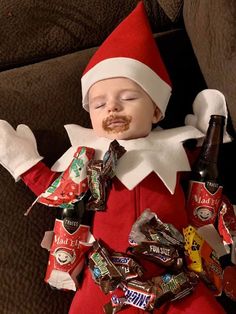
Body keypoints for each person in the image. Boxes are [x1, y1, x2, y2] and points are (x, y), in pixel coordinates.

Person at [0, 2, 228, 313]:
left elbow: (206, 182)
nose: (112, 108)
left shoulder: (175, 150)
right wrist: (24, 163)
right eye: (99, 103)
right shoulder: (87, 157)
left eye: (129, 97)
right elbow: (57, 190)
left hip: (177, 278)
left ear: (157, 109)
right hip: (107, 278)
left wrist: (207, 132)